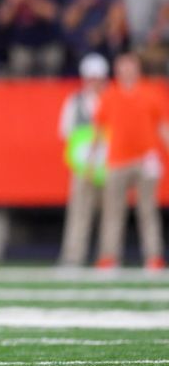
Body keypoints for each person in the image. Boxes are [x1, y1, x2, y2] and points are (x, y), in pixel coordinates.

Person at [91, 53, 169, 271]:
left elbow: (163, 127)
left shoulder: (151, 93)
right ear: (117, 70)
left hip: (146, 159)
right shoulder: (109, 95)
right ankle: (109, 256)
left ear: (137, 69)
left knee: (147, 210)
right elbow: (99, 129)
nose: (126, 71)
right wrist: (92, 158)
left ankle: (153, 256)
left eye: (130, 67)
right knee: (113, 210)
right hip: (117, 159)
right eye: (122, 67)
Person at [57, 53, 108, 267]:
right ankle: (73, 256)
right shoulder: (74, 101)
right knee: (79, 212)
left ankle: (107, 257)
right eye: (90, 77)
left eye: (97, 77)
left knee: (110, 215)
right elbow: (65, 132)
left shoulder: (112, 98)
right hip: (83, 166)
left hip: (108, 165)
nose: (94, 81)